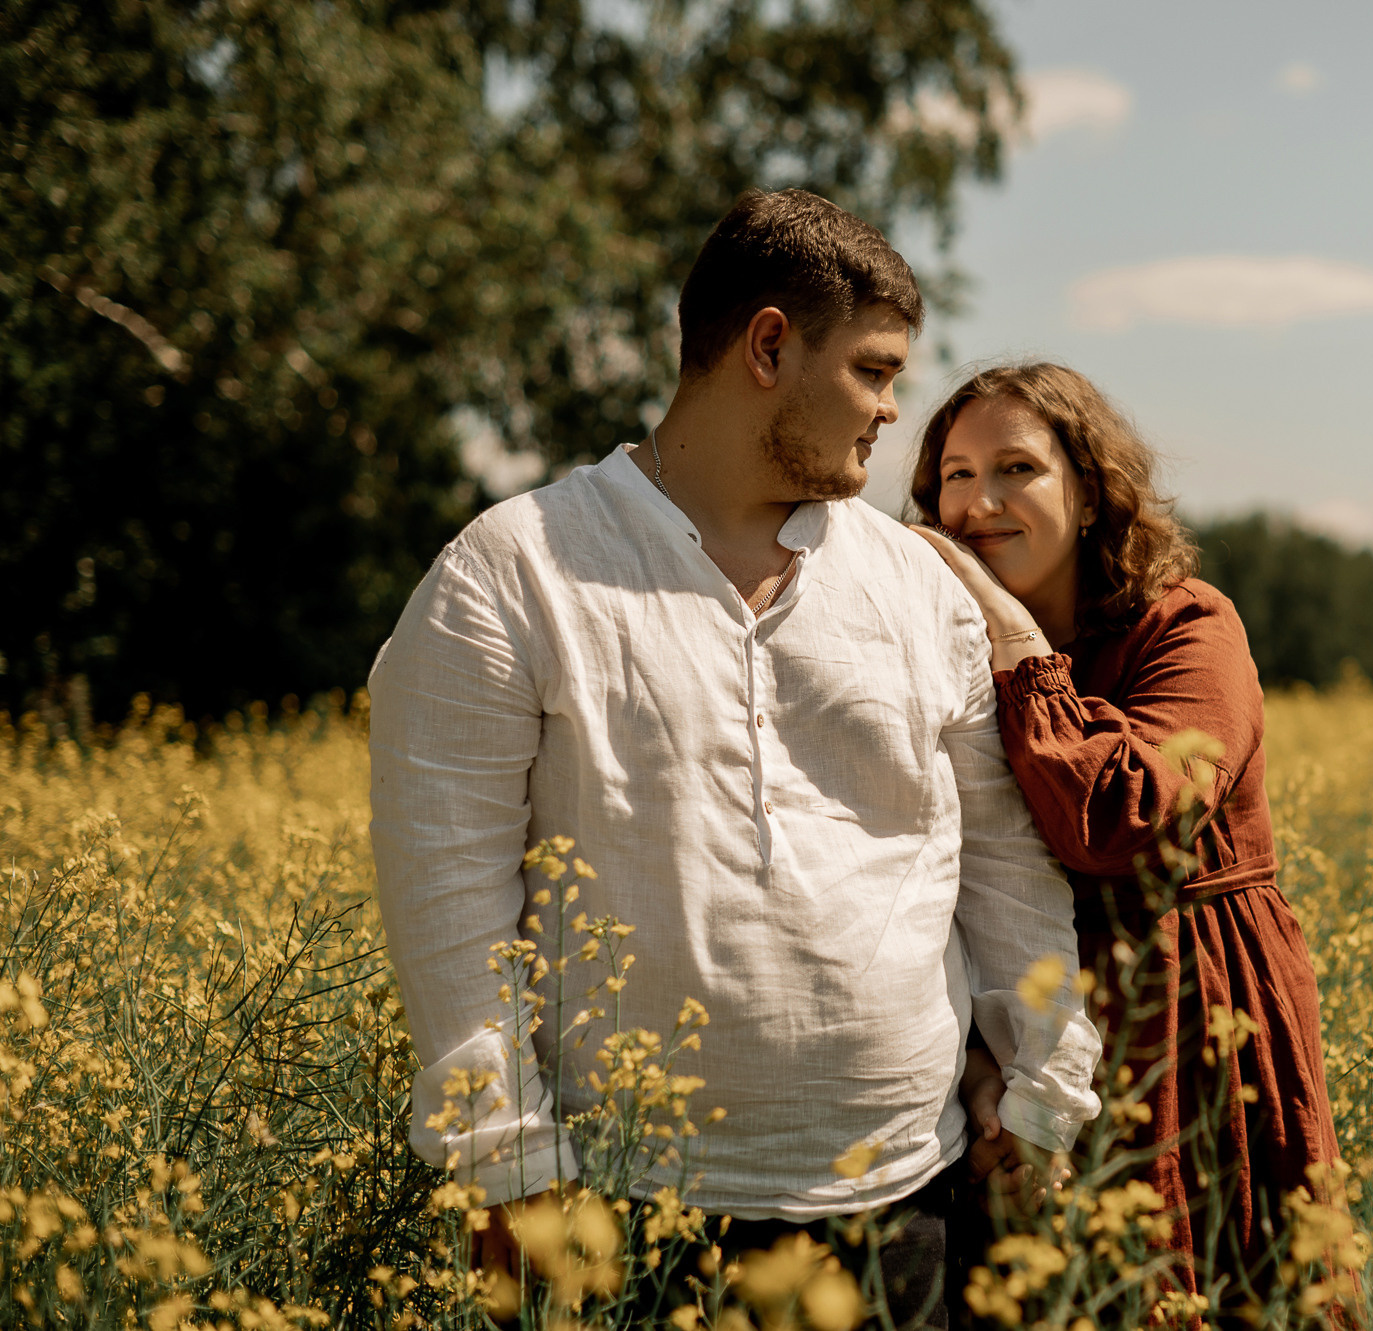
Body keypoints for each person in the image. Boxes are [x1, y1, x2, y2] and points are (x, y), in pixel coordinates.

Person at [368, 192, 1100, 1328]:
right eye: (869, 369)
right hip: (627, 1212)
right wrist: (506, 1165)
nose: (891, 408)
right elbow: (447, 897)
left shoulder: (917, 586)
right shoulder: (511, 573)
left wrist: (1041, 1077)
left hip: (904, 1198)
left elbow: (1000, 861)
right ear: (768, 346)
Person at [908, 363, 1353, 1320]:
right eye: (953, 474)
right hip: (1011, 1019)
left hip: (1190, 1009)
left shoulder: (1188, 625)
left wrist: (1016, 643)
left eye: (1015, 468)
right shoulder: (933, 653)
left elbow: (1125, 819)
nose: (977, 504)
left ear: (1090, 488)